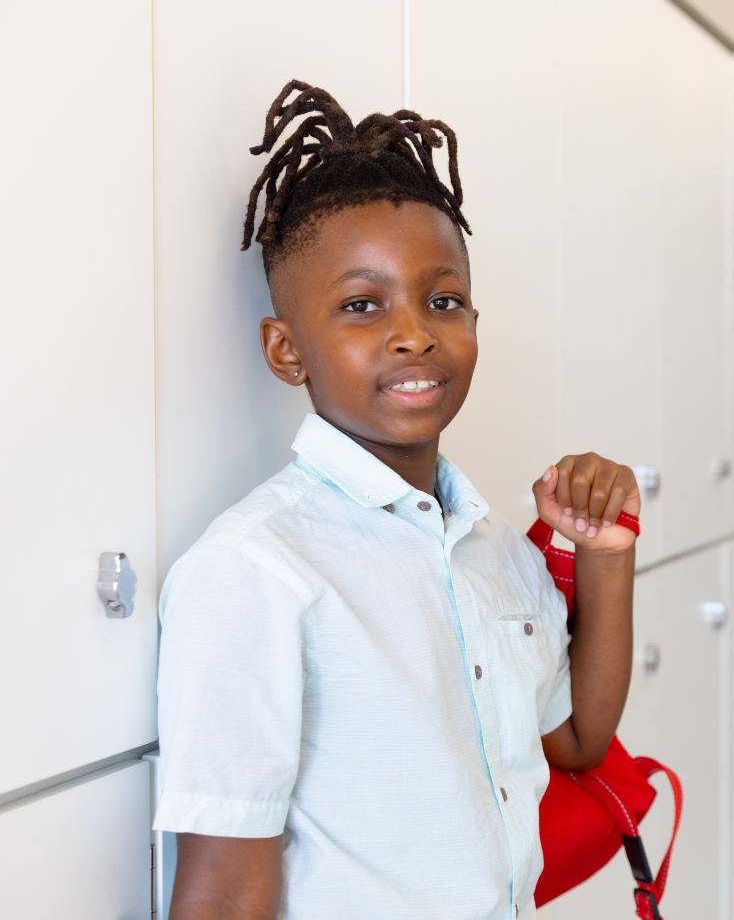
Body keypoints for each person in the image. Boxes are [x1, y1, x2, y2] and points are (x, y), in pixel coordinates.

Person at [155, 81, 640, 920]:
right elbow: (228, 886)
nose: (413, 331)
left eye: (442, 300)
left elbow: (575, 740)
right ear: (286, 349)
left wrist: (605, 555)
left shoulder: (495, 551)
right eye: (360, 305)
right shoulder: (256, 570)